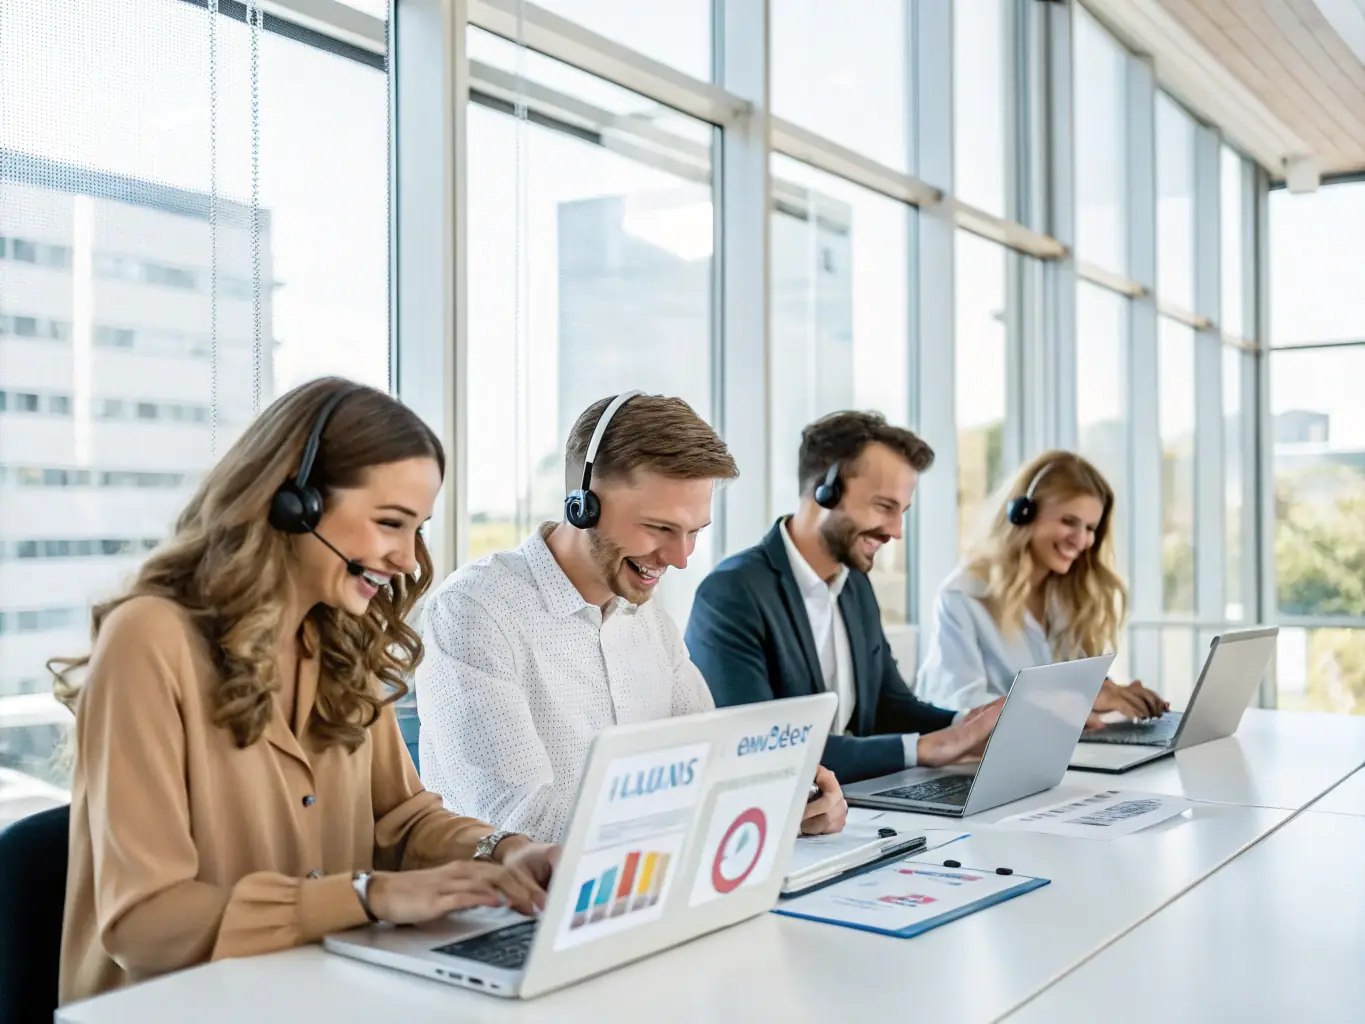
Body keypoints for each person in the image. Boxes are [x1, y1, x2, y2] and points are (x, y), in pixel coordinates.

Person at [52, 378, 560, 1005]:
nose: (406, 557)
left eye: (417, 529)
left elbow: (398, 819)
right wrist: (364, 898)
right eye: (389, 524)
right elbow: (144, 924)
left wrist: (503, 851)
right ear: (296, 503)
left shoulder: (342, 638)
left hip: (317, 993)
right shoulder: (150, 638)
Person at [417, 392, 847, 841]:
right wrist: (720, 811)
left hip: (645, 887)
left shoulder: (646, 618)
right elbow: (525, 825)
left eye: (694, 532)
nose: (680, 559)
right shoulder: (474, 611)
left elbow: (713, 761)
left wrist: (782, 797)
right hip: (519, 902)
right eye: (660, 528)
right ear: (582, 504)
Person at [685, 411, 1004, 785]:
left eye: (902, 512)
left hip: (857, 803)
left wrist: (970, 724)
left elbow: (888, 705)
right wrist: (921, 749)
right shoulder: (732, 593)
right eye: (884, 507)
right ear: (826, 490)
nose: (896, 531)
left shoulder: (854, 584)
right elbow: (762, 747)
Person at [916, 449, 1167, 722]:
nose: (1080, 541)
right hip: (978, 761)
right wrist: (1075, 702)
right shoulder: (963, 596)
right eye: (1068, 522)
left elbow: (1077, 698)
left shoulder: (1068, 597)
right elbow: (960, 705)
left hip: (1057, 754)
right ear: (1023, 514)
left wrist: (1108, 694)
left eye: (1090, 528)